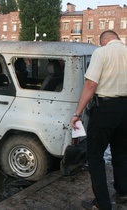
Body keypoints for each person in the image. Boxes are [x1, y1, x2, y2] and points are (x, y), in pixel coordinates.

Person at [70, 30, 127, 210]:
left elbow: (90, 84)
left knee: (94, 157)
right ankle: (123, 192)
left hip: (105, 110)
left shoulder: (101, 53)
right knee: (121, 152)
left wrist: (77, 113)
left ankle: (102, 204)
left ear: (103, 41)